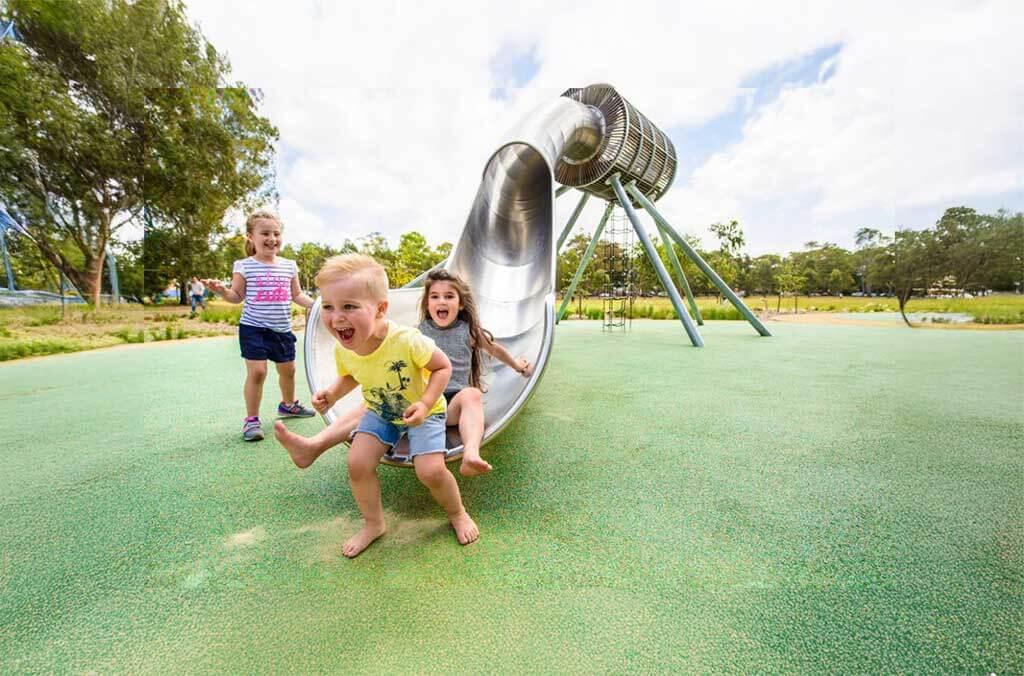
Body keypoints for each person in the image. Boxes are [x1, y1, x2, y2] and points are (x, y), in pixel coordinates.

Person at [275, 253, 478, 557]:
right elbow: (351, 376)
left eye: (349, 307)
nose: (336, 317)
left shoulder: (408, 340)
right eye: (328, 307)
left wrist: (424, 403)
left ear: (381, 309)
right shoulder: (346, 347)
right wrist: (332, 394)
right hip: (381, 412)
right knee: (357, 464)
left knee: (430, 471)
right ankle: (374, 523)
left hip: (423, 412)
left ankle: (457, 513)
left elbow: (442, 367)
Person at [275, 269, 532, 477]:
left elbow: (495, 349)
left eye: (449, 297)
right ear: (427, 303)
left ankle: (471, 454)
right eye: (435, 297)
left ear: (461, 304)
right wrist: (333, 393)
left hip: (448, 406)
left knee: (472, 395)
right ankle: (314, 446)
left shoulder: (469, 331)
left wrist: (517, 365)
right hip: (411, 403)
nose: (441, 302)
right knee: (372, 404)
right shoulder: (417, 332)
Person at [203, 209, 316, 442]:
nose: (272, 238)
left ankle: (288, 405)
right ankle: (252, 420)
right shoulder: (243, 265)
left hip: (282, 329)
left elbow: (297, 295)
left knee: (289, 370)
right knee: (258, 372)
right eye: (265, 233)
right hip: (253, 328)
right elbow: (236, 296)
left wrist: (318, 305)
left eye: (276, 233)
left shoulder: (289, 266)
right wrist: (223, 291)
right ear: (250, 237)